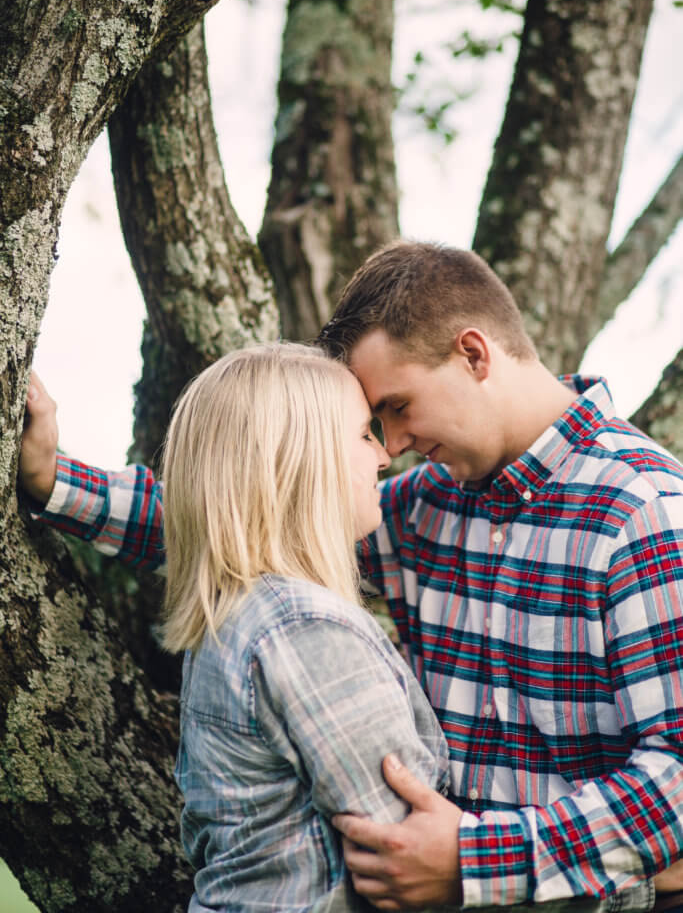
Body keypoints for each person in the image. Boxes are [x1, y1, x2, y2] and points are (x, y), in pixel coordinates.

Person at [19, 242, 683, 913]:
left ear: (474, 355)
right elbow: (250, 518)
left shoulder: (643, 511)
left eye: (396, 406)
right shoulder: (429, 503)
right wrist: (55, 481)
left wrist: (478, 862)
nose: (390, 447)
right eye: (372, 423)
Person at [25, 343, 452, 912]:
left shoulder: (247, 607)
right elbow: (406, 850)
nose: (384, 455)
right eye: (363, 434)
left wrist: (51, 478)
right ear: (300, 459)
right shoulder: (303, 628)